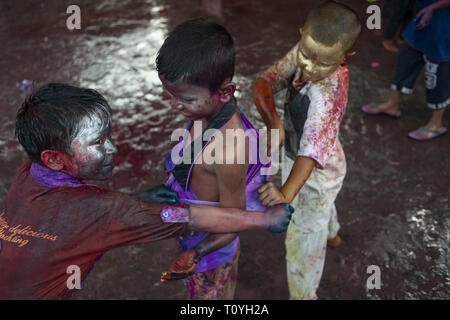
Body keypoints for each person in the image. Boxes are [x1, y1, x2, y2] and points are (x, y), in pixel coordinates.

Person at [0, 83, 293, 300]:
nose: (112, 148)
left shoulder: (29, 172)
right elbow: (184, 216)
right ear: (53, 158)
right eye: (98, 143)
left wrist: (137, 200)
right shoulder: (100, 211)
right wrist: (264, 220)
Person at [155, 18, 271, 300]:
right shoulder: (205, 113)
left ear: (225, 92)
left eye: (184, 98)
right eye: (171, 95)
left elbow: (234, 221)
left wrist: (196, 254)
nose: (174, 105)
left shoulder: (229, 151)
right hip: (193, 231)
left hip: (211, 259)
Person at [252, 1, 361, 299]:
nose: (310, 67)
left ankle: (303, 295)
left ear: (345, 58)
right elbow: (263, 82)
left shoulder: (326, 98)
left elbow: (310, 156)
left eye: (323, 63)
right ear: (301, 35)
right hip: (313, 157)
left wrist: (286, 196)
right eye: (306, 55)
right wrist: (274, 123)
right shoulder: (309, 51)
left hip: (315, 171)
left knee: (301, 238)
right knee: (321, 207)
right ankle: (333, 235)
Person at [362, 0, 450, 141]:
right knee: (406, 60)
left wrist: (433, 8)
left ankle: (436, 123)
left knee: (438, 77)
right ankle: (392, 104)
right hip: (422, 19)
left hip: (444, 29)